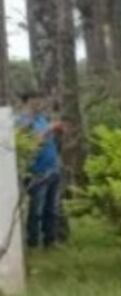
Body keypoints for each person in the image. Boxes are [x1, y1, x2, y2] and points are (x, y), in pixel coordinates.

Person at [20, 93, 61, 249]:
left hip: (53, 168)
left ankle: (50, 240)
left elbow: (49, 140)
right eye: (34, 101)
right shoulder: (21, 122)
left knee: (52, 208)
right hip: (38, 171)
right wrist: (48, 130)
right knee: (36, 209)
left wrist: (56, 131)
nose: (38, 104)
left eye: (39, 101)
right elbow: (31, 144)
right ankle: (33, 242)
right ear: (26, 103)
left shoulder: (41, 119)